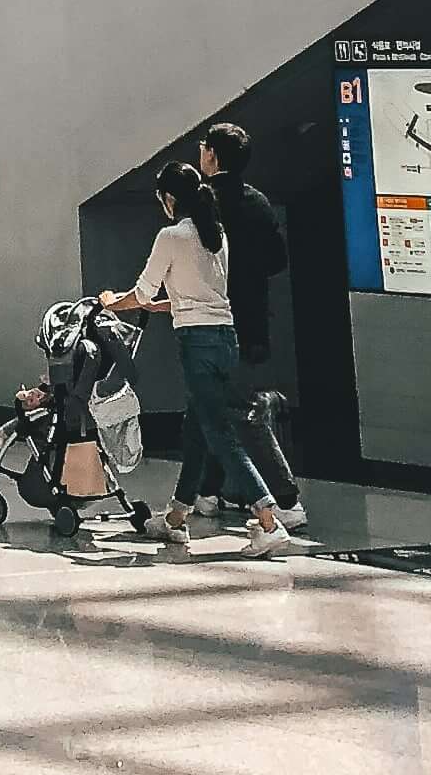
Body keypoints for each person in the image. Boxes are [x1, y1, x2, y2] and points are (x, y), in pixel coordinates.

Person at [104, 159, 286, 544]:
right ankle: (175, 518)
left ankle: (269, 520)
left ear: (169, 198)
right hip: (225, 339)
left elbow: (142, 293)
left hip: (196, 343)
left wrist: (110, 303)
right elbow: (198, 296)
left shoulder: (171, 236)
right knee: (197, 432)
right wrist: (161, 306)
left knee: (218, 433)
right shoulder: (216, 235)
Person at [196, 120, 305, 531]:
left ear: (212, 155)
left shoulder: (202, 202)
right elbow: (277, 259)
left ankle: (286, 499)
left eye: (204, 147)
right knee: (214, 406)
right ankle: (206, 492)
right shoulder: (257, 202)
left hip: (212, 321)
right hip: (253, 319)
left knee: (240, 411)